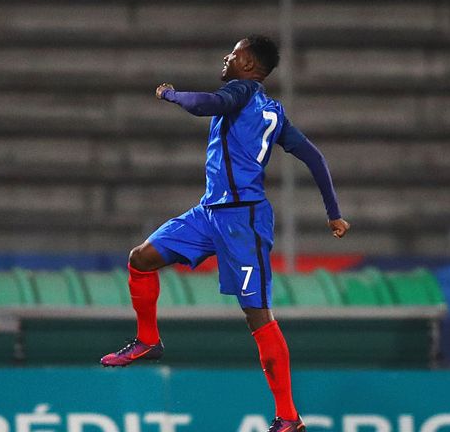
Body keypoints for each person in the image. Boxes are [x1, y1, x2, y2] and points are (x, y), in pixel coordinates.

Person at [100, 35, 350, 432]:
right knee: (141, 258)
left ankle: (288, 416)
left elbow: (206, 105)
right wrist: (333, 214)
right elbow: (314, 157)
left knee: (258, 316)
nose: (227, 57)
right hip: (209, 211)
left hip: (243, 222)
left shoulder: (241, 91)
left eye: (234, 54)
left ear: (250, 65)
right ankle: (148, 340)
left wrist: (170, 94)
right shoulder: (273, 112)